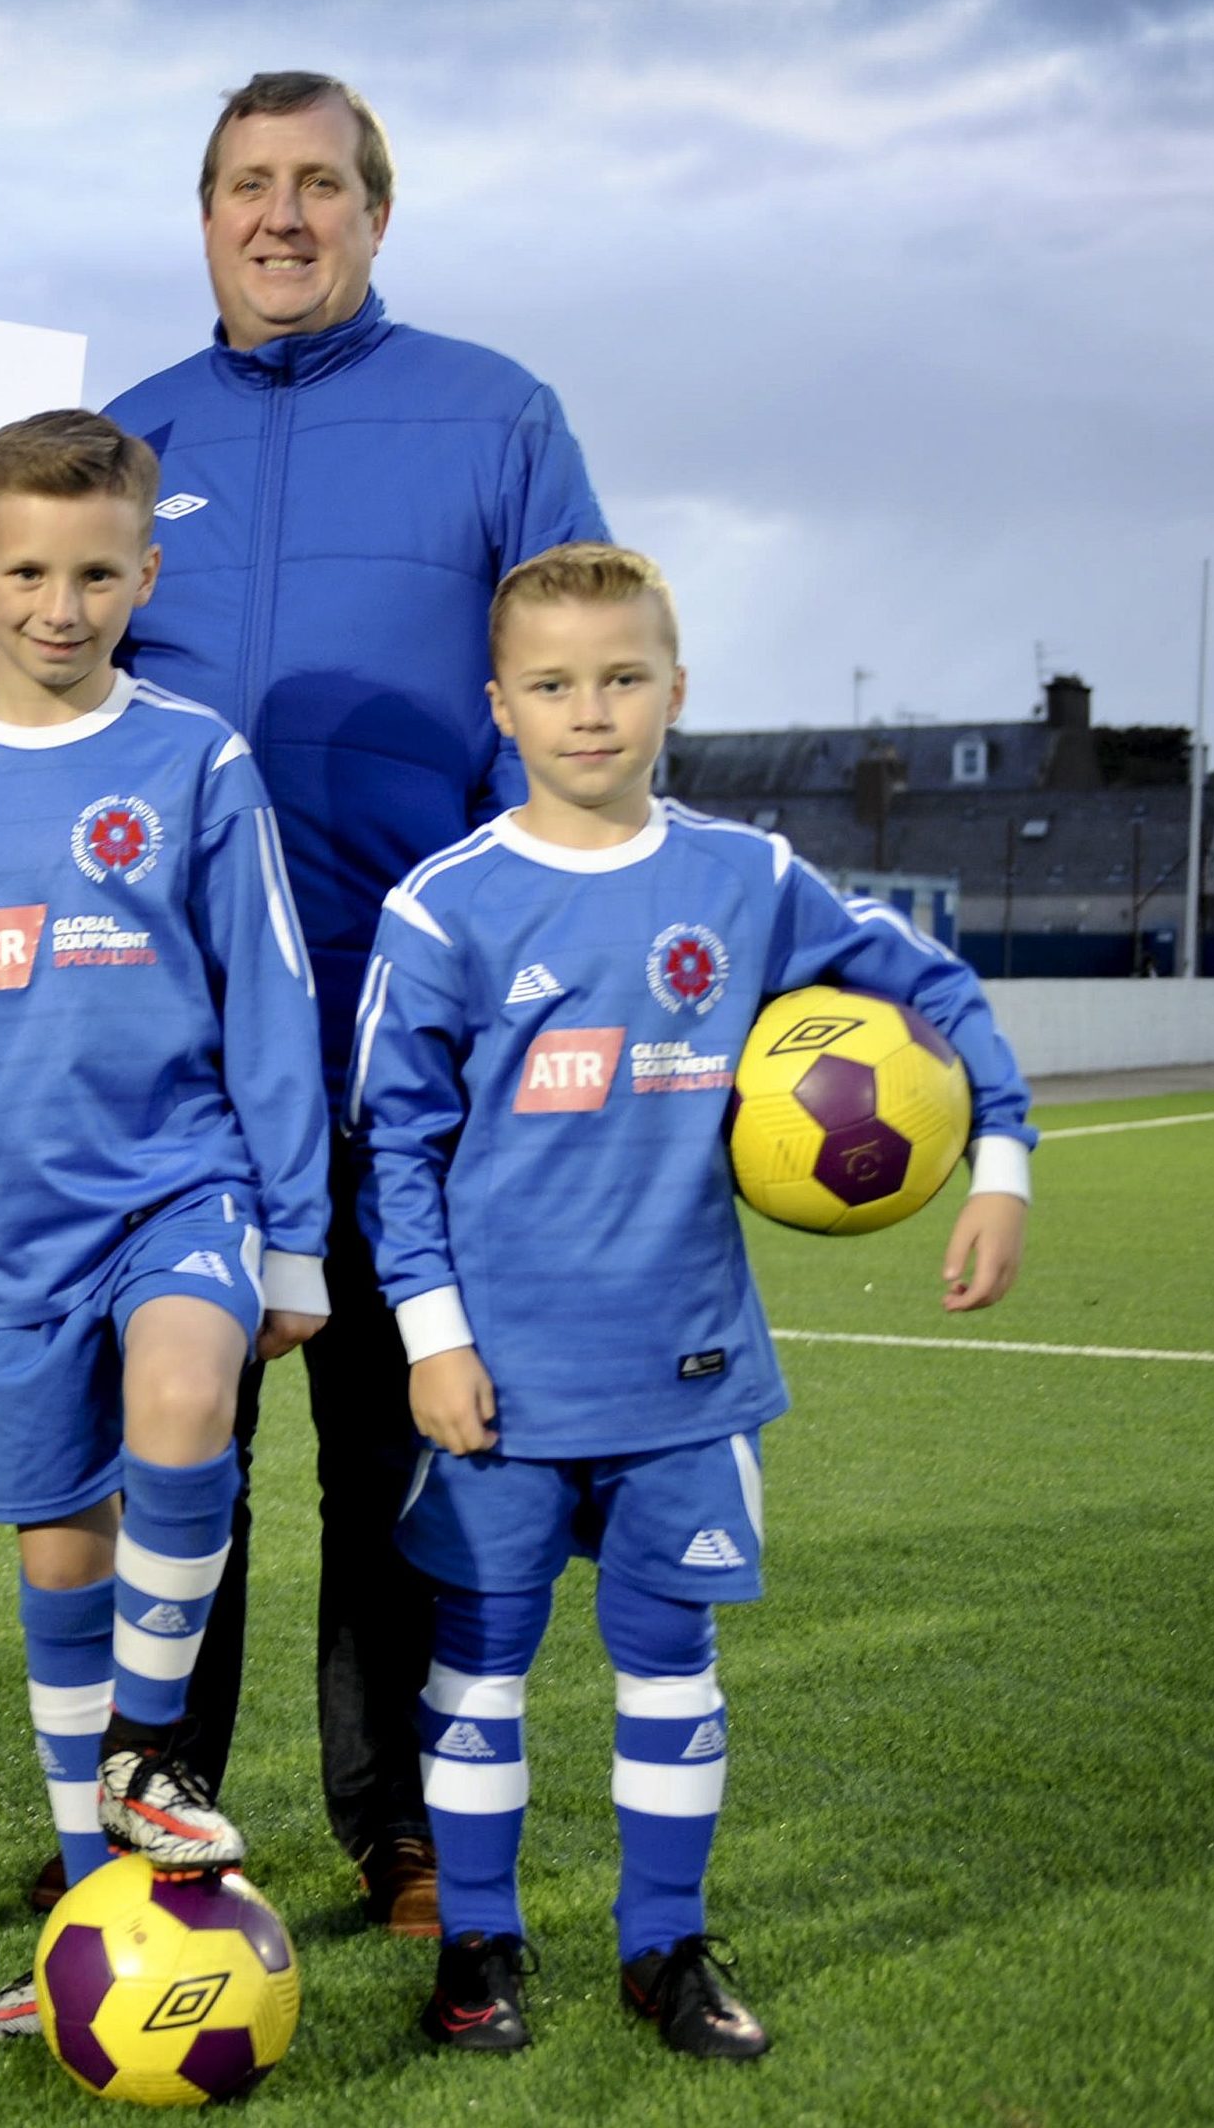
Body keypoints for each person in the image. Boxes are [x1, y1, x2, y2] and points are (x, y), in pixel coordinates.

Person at [33, 69, 615, 1932]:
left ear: (377, 213)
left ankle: (402, 1827)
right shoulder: (124, 442)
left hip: (402, 1030)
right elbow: (50, 706)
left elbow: (580, 682)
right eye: (245, 188)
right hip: (163, 1049)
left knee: (390, 1441)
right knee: (165, 1433)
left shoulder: (496, 413)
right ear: (201, 217)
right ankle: (155, 1814)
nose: (281, 218)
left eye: (319, 187)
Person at [352, 543, 1033, 2058]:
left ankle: (663, 1952)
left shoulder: (748, 880)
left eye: (621, 677)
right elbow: (394, 1142)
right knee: (478, 1669)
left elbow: (937, 990)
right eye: (552, 684)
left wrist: (1001, 1157)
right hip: (503, 1389)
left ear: (675, 689)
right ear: (501, 706)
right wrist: (433, 1337)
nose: (588, 712)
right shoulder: (446, 907)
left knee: (674, 1671)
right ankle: (478, 1946)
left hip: (687, 1377)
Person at [0, 413, 331, 2041]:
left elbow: (268, 996)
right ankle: (89, 1900)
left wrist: (293, 1236)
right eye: (30, 571)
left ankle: (145, 1752)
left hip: (181, 1184)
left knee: (188, 1398)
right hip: (19, 1237)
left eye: (98, 573)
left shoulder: (196, 757)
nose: (62, 605)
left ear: (145, 573)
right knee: (60, 1552)